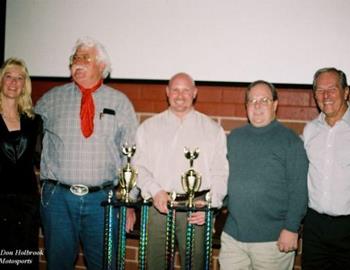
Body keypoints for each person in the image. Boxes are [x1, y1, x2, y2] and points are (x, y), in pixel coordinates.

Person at [35, 37, 138, 270]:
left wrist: (128, 201)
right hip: (58, 200)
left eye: (85, 58)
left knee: (106, 265)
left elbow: (132, 156)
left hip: (102, 202)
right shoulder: (51, 99)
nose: (77, 63)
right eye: (75, 58)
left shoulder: (120, 103)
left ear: (102, 66)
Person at [133, 72, 228, 269]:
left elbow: (220, 172)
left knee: (196, 265)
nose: (180, 95)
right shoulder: (148, 128)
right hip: (157, 206)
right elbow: (138, 167)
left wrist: (210, 205)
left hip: (197, 209)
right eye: (175, 89)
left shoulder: (212, 129)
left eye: (186, 90)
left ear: (195, 93)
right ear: (167, 92)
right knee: (154, 265)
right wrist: (155, 190)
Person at [219, 80, 308, 270]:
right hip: (233, 239)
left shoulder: (290, 141)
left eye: (264, 100)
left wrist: (291, 228)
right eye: (252, 101)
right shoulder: (234, 138)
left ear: (275, 105)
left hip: (273, 241)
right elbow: (225, 180)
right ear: (246, 106)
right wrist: (213, 202)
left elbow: (299, 189)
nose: (257, 106)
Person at [302, 68, 350, 270]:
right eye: (320, 90)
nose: (325, 96)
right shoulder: (310, 130)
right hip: (314, 227)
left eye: (332, 89)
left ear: (346, 92)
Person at [0, 58, 42, 269]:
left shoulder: (34, 121)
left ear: (25, 84)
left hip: (26, 205)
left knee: (23, 261)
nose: (14, 82)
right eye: (9, 76)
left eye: (20, 78)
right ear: (1, 80)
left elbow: (40, 159)